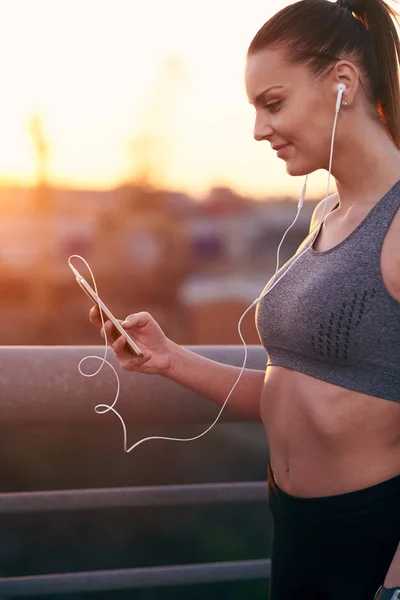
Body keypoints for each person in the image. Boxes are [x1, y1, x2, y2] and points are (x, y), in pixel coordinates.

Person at [90, 0, 400, 597]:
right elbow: (294, 396)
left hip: (376, 551)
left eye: (273, 103)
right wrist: (170, 358)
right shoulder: (329, 214)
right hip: (296, 531)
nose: (259, 129)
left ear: (342, 82)